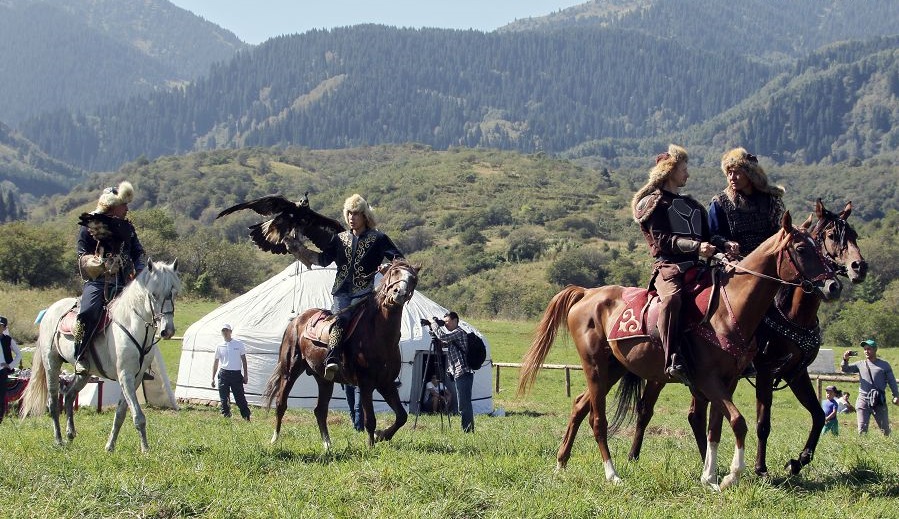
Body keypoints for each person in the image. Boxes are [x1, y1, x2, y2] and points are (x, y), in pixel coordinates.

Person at [285, 194, 404, 381]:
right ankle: (332, 358)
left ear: (364, 216)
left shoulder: (379, 238)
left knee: (381, 322)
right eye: (349, 213)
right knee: (341, 318)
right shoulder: (339, 239)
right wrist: (300, 250)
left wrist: (389, 267)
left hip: (365, 292)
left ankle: (387, 362)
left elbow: (399, 260)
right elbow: (323, 260)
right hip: (341, 291)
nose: (351, 217)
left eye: (356, 213)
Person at [631, 144, 717, 384]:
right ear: (669, 171)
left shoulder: (692, 205)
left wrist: (724, 244)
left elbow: (709, 236)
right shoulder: (653, 203)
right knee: (672, 299)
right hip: (668, 267)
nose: (687, 174)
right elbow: (662, 240)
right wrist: (697, 247)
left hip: (698, 267)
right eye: (683, 169)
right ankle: (672, 359)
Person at [74, 181, 146, 374]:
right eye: (124, 205)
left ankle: (142, 361)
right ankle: (80, 355)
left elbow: (138, 252)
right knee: (87, 313)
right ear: (113, 206)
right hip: (99, 282)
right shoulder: (90, 226)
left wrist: (140, 268)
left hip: (125, 282)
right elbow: (81, 255)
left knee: (145, 315)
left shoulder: (128, 228)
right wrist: (96, 262)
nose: (127, 208)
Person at [708, 147, 786, 257]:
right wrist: (726, 243)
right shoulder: (719, 202)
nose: (732, 177)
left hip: (769, 259)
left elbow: (780, 231)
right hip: (733, 261)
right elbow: (712, 235)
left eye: (737, 173)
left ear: (750, 175)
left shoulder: (770, 200)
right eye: (729, 173)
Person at [841, 338, 899, 435]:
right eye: (865, 349)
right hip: (863, 400)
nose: (866, 351)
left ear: (875, 349)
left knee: (885, 431)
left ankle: (887, 447)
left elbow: (892, 381)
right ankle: (862, 448)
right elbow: (845, 369)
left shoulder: (884, 365)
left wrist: (896, 395)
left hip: (879, 400)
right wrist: (845, 359)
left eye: (869, 349)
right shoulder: (860, 364)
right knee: (862, 430)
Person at [431, 311, 474, 432]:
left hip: (463, 372)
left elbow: (443, 337)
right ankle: (468, 429)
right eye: (444, 322)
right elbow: (442, 342)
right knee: (464, 404)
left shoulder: (459, 332)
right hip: (457, 373)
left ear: (455, 321)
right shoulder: (454, 336)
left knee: (464, 404)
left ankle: (468, 431)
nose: (445, 325)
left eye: (447, 322)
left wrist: (434, 324)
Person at [211, 323, 251, 421]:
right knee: (224, 399)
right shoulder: (219, 346)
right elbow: (216, 362)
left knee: (240, 398)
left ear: (231, 332)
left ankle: (246, 417)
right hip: (224, 373)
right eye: (223, 330)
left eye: (227, 330)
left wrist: (245, 375)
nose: (225, 332)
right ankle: (226, 417)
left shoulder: (238, 344)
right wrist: (212, 377)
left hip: (236, 374)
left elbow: (244, 360)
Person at [0, 316, 23, 424]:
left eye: (0, 326)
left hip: (2, 371)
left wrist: (10, 365)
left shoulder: (8, 340)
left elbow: (19, 354)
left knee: (1, 395)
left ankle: (0, 417)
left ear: (4, 328)